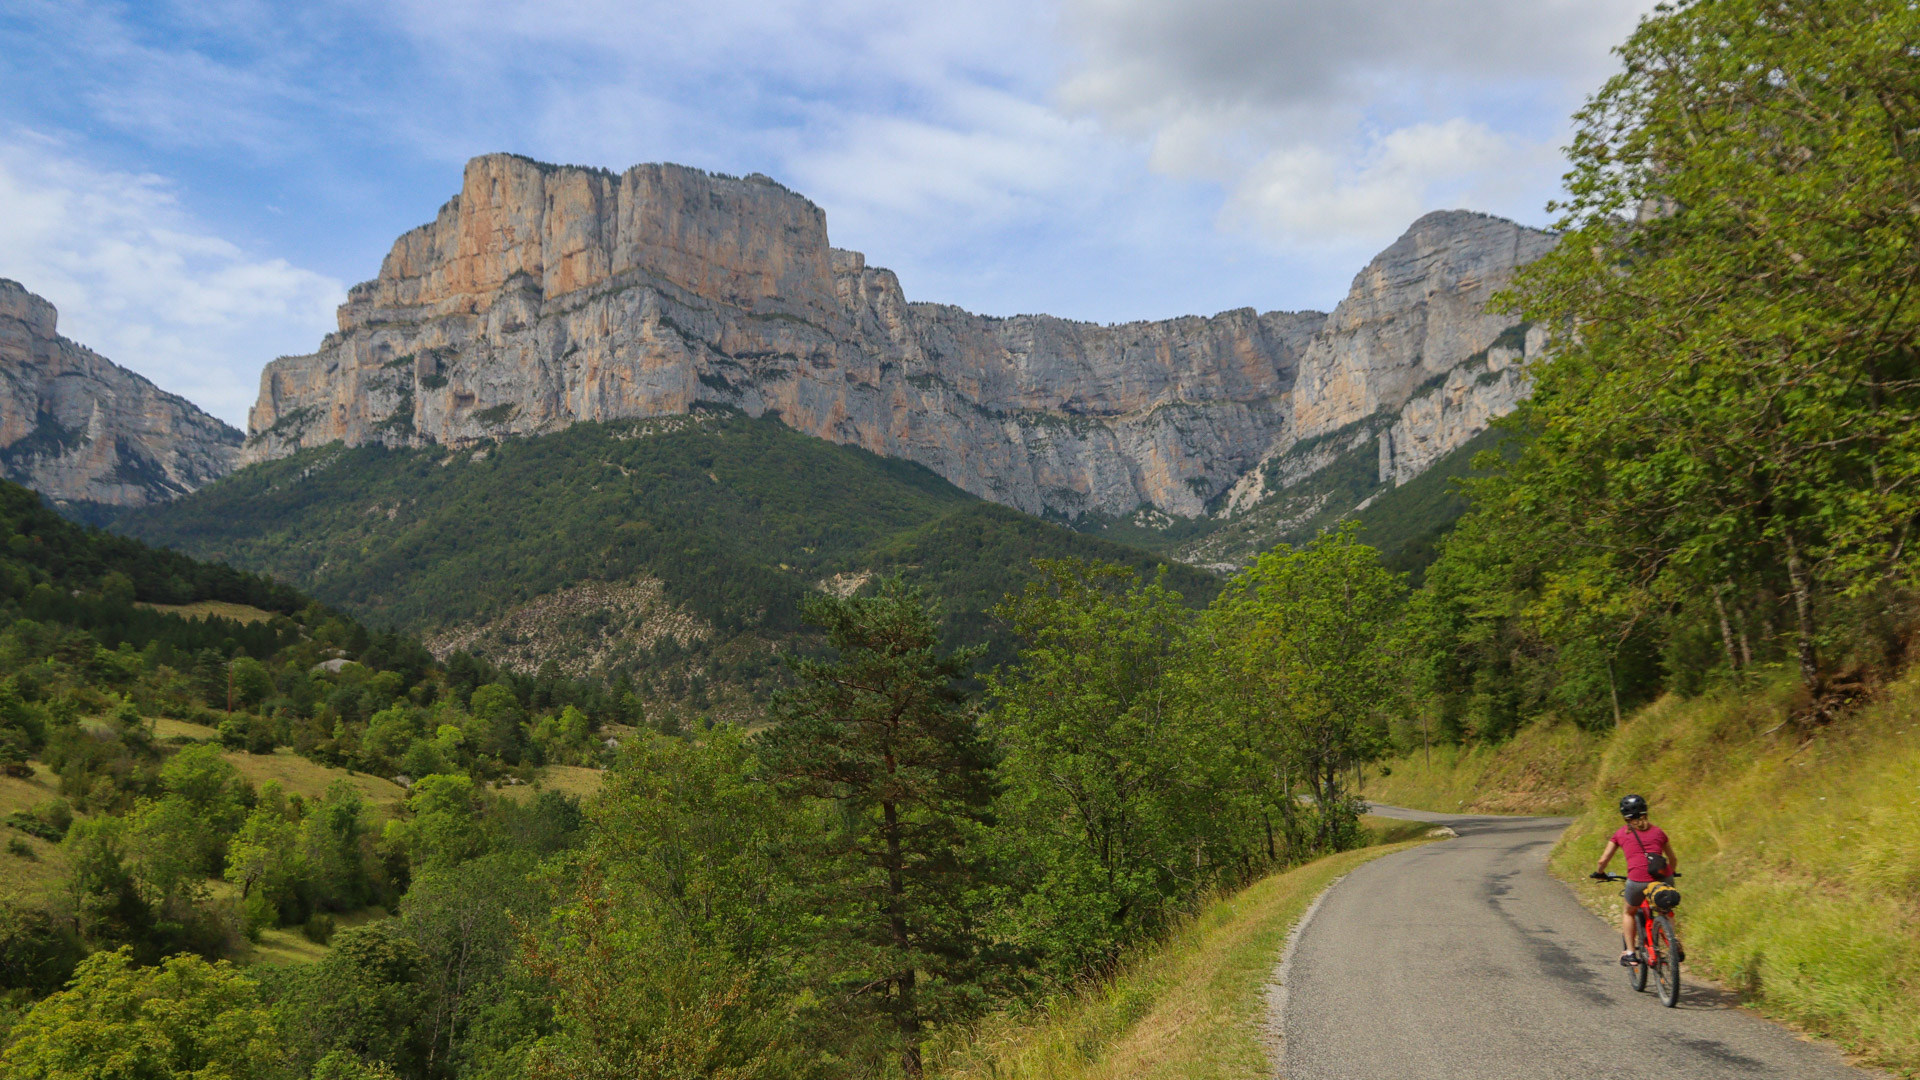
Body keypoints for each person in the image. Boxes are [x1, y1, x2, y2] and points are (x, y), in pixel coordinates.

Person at [1590, 793, 1680, 967]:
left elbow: (1603, 860)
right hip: (1664, 877)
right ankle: (1673, 942)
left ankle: (1630, 953)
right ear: (1646, 811)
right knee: (1665, 909)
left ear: (1624, 815)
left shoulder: (1620, 834)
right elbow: (1673, 859)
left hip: (1638, 879)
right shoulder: (1658, 832)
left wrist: (1599, 872)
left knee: (1629, 912)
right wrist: (1671, 873)